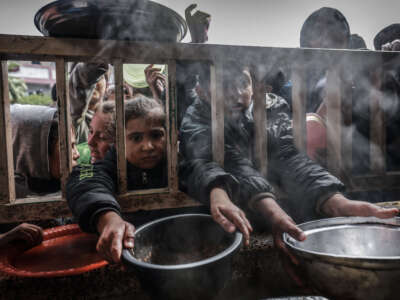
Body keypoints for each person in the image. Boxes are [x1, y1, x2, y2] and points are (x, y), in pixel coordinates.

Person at [179, 64, 399, 256]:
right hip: (234, 217)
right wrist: (272, 211)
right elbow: (227, 162)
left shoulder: (271, 106)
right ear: (202, 91)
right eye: (223, 85)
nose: (235, 93)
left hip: (277, 206)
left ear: (254, 85)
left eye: (242, 83)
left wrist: (335, 200)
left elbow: (289, 157)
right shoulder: (196, 117)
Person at [66, 96, 168, 263]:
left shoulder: (172, 163)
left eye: (102, 137)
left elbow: (200, 168)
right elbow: (83, 177)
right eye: (91, 131)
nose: (90, 141)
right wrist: (107, 218)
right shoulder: (93, 164)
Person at [11, 104, 80, 198]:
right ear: (37, 152)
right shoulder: (10, 196)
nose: (77, 154)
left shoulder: (77, 186)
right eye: (69, 147)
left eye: (74, 145)